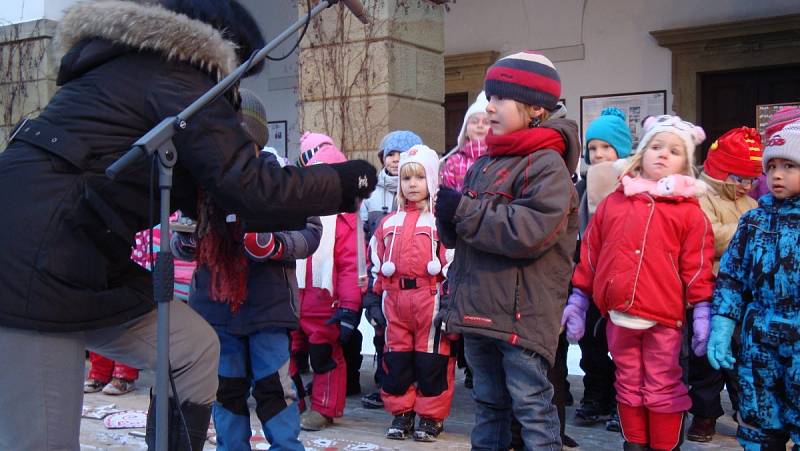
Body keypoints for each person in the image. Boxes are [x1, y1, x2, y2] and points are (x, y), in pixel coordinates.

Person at [0, 1, 376, 449]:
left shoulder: (136, 70)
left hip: (87, 263)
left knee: (190, 348)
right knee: (44, 440)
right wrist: (341, 180)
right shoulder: (173, 73)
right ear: (220, 49)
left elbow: (230, 193)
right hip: (33, 269)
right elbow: (247, 185)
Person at [435, 50, 581, 450]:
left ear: (535, 107)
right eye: (489, 97)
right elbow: (464, 237)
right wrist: (447, 215)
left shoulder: (547, 165)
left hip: (521, 318)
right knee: (488, 406)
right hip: (479, 309)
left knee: (532, 409)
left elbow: (529, 231)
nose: (489, 107)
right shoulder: (485, 162)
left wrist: (462, 210)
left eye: (500, 99)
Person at [170, 89, 318, 450]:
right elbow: (177, 236)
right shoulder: (202, 184)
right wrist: (189, 243)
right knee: (225, 390)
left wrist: (276, 244)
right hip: (214, 309)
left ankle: (286, 446)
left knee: (273, 390)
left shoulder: (282, 179)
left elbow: (311, 231)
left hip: (268, 308)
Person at [566, 115, 715, 451]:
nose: (662, 154)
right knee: (628, 381)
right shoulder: (615, 203)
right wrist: (579, 299)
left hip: (663, 319)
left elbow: (697, 266)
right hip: (619, 315)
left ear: (685, 163)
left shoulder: (689, 213)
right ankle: (634, 444)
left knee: (662, 384)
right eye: (656, 147)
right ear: (640, 153)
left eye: (674, 151)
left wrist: (703, 310)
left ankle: (664, 446)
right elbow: (592, 252)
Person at [707, 120, 800, 451]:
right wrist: (722, 323)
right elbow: (732, 276)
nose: (776, 174)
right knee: (760, 426)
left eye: (789, 166)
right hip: (759, 340)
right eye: (772, 166)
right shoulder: (753, 221)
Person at [368, 145, 453, 441]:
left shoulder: (439, 223)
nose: (412, 184)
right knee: (397, 360)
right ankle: (401, 412)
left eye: (419, 177)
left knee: (432, 359)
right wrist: (373, 299)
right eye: (406, 178)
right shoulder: (387, 223)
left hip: (430, 299)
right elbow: (376, 264)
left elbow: (451, 264)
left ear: (431, 180)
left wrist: (450, 303)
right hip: (395, 301)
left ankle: (430, 416)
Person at [686, 126, 763, 442]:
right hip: (710, 292)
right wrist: (745, 233)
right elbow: (706, 234)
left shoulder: (751, 205)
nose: (746, 185)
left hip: (744, 297)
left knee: (742, 359)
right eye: (739, 178)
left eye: (751, 180)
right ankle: (705, 415)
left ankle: (748, 412)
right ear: (720, 171)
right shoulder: (700, 196)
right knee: (706, 362)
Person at [291, 133, 364, 432]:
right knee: (286, 352)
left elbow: (349, 266)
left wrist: (349, 306)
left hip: (325, 302)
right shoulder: (293, 214)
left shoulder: (344, 221)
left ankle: (324, 407)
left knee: (324, 354)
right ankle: (289, 402)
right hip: (293, 299)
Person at [569, 107, 633, 432]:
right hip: (590, 277)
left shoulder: (634, 188)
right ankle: (597, 393)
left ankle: (626, 402)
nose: (598, 154)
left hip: (625, 279)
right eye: (592, 148)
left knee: (625, 346)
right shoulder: (581, 189)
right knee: (592, 343)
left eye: (606, 147)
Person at [359, 130, 423, 409]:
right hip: (380, 277)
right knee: (381, 330)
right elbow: (362, 237)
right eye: (390, 154)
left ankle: (415, 384)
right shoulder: (370, 195)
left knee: (413, 337)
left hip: (415, 280)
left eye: (402, 154)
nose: (396, 160)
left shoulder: (423, 191)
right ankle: (387, 381)